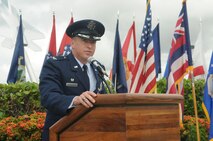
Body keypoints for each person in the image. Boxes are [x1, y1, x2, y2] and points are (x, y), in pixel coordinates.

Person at [39, 19, 106, 141]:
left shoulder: (98, 68)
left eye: (93, 42)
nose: (90, 46)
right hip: (62, 134)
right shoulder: (55, 65)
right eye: (85, 41)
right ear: (73, 43)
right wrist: (75, 100)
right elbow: (48, 96)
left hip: (92, 134)